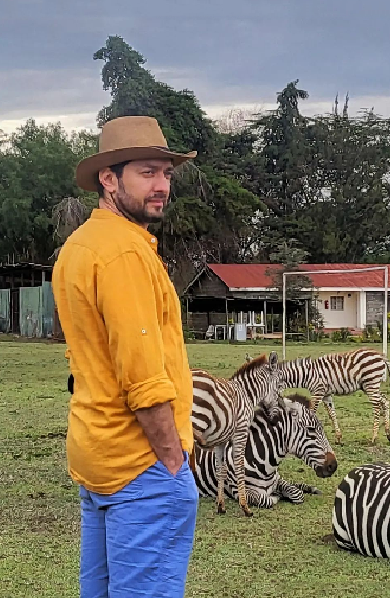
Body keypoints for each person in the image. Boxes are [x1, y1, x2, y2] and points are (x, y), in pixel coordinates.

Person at [53, 115, 199, 598]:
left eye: (166, 174)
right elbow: (144, 380)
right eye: (147, 173)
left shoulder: (80, 246)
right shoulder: (124, 255)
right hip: (142, 466)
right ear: (109, 179)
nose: (161, 187)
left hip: (96, 455)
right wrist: (174, 463)